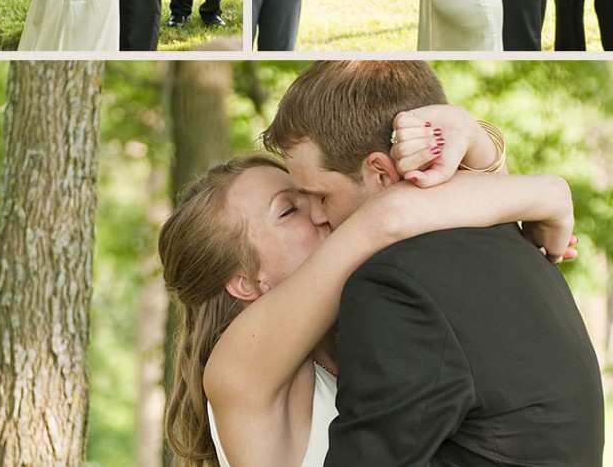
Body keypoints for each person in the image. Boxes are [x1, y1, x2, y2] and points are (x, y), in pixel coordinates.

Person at [160, 116, 580, 467]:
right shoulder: (238, 371)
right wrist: (549, 194)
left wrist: (477, 143)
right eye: (290, 209)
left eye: (315, 194)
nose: (321, 212)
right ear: (245, 283)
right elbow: (387, 215)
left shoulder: (381, 318)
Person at [263, 60, 604, 465]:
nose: (317, 216)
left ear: (382, 175)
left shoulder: (394, 286)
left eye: (320, 196)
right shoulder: (510, 239)